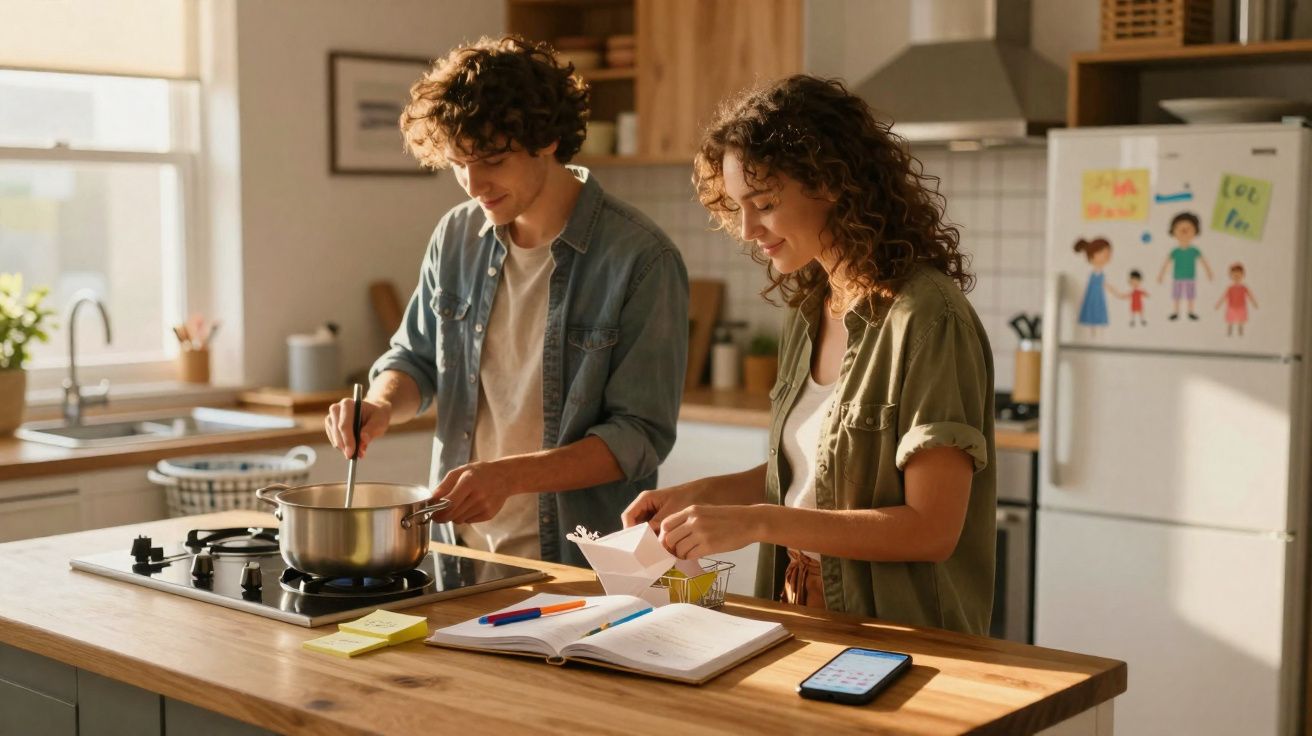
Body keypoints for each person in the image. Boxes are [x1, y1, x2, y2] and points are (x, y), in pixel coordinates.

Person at [622, 75, 996, 635]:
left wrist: (757, 522)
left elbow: (930, 529)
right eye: (738, 208)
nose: (748, 230)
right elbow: (811, 476)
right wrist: (702, 495)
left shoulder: (927, 318)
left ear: (833, 183)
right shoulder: (812, 308)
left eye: (765, 203)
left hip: (898, 632)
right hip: (800, 602)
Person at [325, 36, 689, 567]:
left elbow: (638, 439)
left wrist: (511, 476)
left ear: (545, 139)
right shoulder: (456, 236)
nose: (473, 184)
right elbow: (415, 360)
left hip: (580, 563)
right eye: (457, 164)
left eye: (492, 159)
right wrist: (380, 404)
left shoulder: (640, 258)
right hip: (456, 553)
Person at [1157, 212, 1213, 321]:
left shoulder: (1194, 251)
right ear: (1173, 232)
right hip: (1177, 277)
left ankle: (1190, 312)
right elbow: (1166, 263)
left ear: (1195, 232)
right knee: (1177, 296)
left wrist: (1209, 272)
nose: (1184, 231)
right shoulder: (1175, 251)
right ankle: (1176, 312)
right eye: (1180, 229)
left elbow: (1203, 262)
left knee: (1190, 296)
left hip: (1190, 277)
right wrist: (1161, 275)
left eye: (1188, 228)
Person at [1215, 262, 1258, 337]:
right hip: (1231, 307)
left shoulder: (1244, 288)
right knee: (1230, 320)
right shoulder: (1230, 288)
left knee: (1241, 320)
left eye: (1238, 274)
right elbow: (1224, 297)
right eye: (1234, 275)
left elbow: (1250, 296)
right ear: (1231, 276)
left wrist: (1254, 303)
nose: (1236, 276)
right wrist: (1218, 304)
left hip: (1241, 307)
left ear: (1242, 275)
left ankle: (1240, 331)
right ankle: (1229, 331)